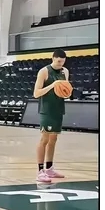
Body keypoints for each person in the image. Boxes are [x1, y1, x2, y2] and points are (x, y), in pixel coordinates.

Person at [33, 49, 69, 184]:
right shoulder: (44, 72)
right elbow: (36, 93)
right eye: (58, 61)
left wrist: (66, 92)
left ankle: (49, 169)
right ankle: (40, 171)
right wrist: (53, 85)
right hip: (46, 110)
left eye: (62, 62)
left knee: (53, 139)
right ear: (53, 58)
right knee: (45, 139)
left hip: (58, 108)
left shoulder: (65, 72)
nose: (60, 64)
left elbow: (65, 90)